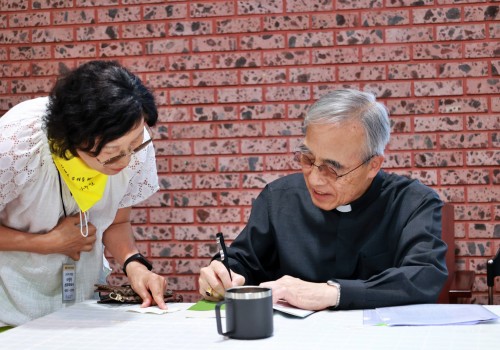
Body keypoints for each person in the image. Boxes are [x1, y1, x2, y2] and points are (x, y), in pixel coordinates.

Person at [199, 89, 448, 311]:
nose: (316, 180)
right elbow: (243, 261)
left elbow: (424, 276)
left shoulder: (414, 203)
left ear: (373, 165)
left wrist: (332, 293)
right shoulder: (279, 198)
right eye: (308, 159)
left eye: (332, 169)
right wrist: (221, 275)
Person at [0, 60, 167, 326]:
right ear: (72, 140)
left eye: (135, 143)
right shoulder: (15, 143)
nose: (126, 160)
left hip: (78, 304)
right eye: (112, 154)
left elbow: (118, 221)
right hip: (8, 298)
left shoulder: (132, 140)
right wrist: (47, 243)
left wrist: (134, 264)